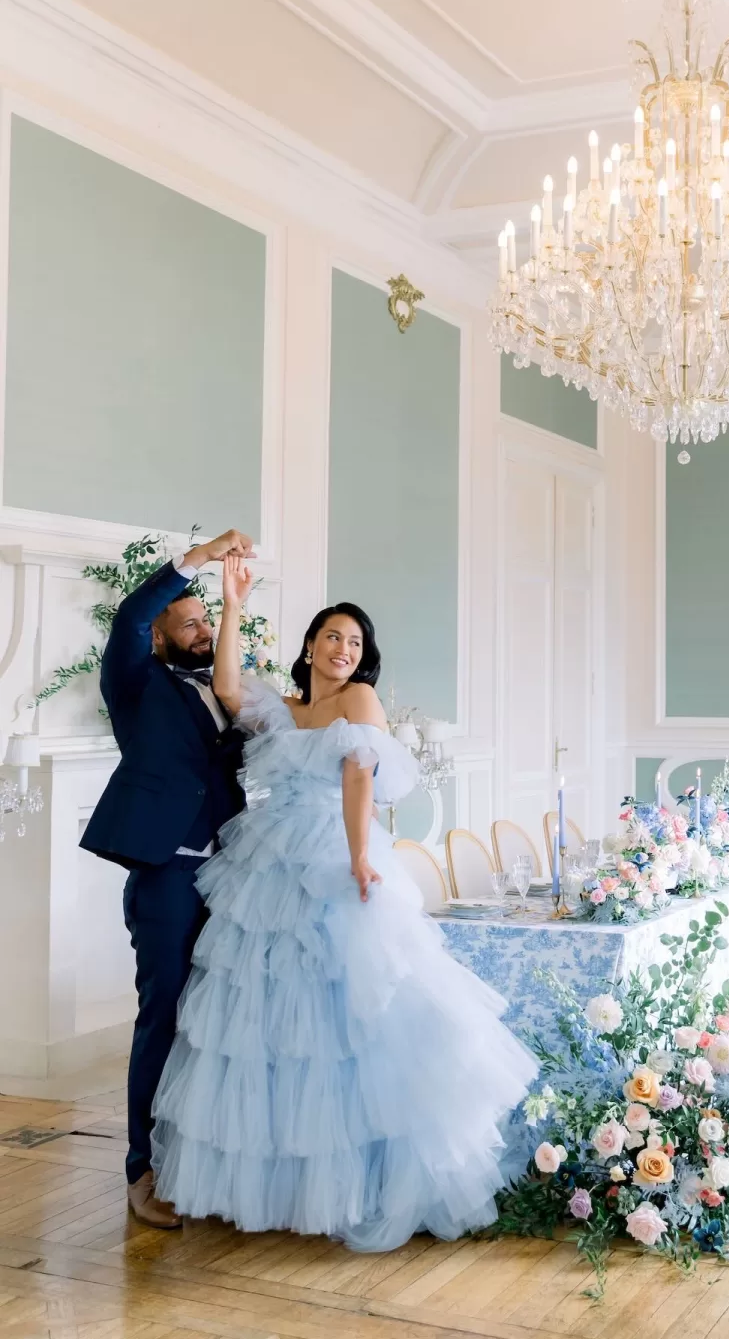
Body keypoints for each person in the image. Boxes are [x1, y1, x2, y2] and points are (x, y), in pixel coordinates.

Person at [150, 557, 537, 1250]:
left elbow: (360, 779)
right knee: (265, 1018)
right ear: (309, 646)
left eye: (355, 644)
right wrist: (232, 604)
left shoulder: (359, 703)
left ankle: (369, 1177)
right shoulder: (283, 709)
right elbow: (230, 687)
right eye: (333, 637)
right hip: (265, 861)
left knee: (354, 1011)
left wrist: (361, 855)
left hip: (332, 852)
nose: (344, 651)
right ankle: (284, 1180)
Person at [80, 529, 253, 1229]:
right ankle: (142, 1169)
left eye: (205, 617)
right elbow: (128, 616)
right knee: (166, 1017)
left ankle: (208, 1162)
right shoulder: (135, 682)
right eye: (188, 621)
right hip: (168, 880)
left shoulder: (226, 688)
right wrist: (200, 560)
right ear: (158, 639)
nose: (202, 627)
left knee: (223, 1023)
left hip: (237, 879)